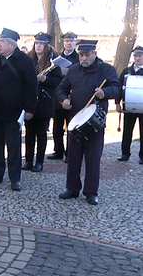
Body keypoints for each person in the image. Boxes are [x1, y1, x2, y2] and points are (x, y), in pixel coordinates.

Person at [57, 40, 121, 205]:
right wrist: (63, 100)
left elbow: (117, 88)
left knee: (93, 158)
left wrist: (104, 92)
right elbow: (61, 88)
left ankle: (91, 192)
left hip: (95, 122)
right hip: (76, 119)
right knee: (73, 156)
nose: (84, 58)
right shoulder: (73, 70)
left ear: (95, 53)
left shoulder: (106, 69)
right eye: (81, 55)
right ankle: (72, 188)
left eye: (87, 55)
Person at [0, 28, 38, 191]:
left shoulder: (25, 61)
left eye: (1, 42)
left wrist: (29, 109)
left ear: (11, 44)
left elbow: (32, 87)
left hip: (13, 111)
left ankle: (15, 178)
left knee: (13, 146)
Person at [22, 32, 62, 172]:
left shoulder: (53, 61)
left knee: (41, 133)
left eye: (41, 44)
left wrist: (46, 80)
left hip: (45, 101)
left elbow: (58, 80)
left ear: (46, 46)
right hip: (30, 101)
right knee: (29, 133)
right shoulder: (28, 59)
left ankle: (39, 162)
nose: (38, 46)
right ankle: (28, 161)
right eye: (37, 43)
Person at [49, 31, 79, 161]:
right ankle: (58, 150)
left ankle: (70, 153)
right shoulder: (57, 58)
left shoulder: (79, 58)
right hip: (58, 96)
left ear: (75, 43)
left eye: (71, 41)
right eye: (67, 41)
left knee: (71, 127)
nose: (68, 43)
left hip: (72, 96)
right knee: (57, 128)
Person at [116, 46, 143, 163]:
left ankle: (142, 156)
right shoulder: (127, 71)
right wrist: (117, 103)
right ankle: (125, 153)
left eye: (140, 56)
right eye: (135, 56)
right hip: (128, 106)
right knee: (127, 131)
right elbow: (119, 87)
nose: (137, 58)